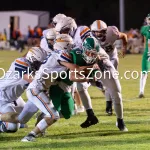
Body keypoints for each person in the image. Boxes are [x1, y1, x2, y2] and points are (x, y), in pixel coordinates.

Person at [0, 47, 46, 133]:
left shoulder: (34, 69)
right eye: (38, 63)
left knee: (23, 118)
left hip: (14, 98)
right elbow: (30, 79)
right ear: (31, 59)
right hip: (2, 97)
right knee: (12, 127)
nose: (40, 66)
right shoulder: (21, 62)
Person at [90, 20, 128, 115]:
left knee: (111, 81)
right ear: (93, 32)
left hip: (112, 58)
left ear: (106, 31)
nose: (99, 34)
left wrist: (124, 48)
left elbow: (124, 36)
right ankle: (107, 101)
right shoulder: (89, 38)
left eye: (101, 31)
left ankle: (108, 105)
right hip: (100, 60)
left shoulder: (112, 32)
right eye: (96, 31)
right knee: (103, 82)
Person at [139, 13, 150, 98]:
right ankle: (141, 91)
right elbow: (144, 38)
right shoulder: (144, 29)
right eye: (149, 19)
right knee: (144, 72)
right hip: (148, 52)